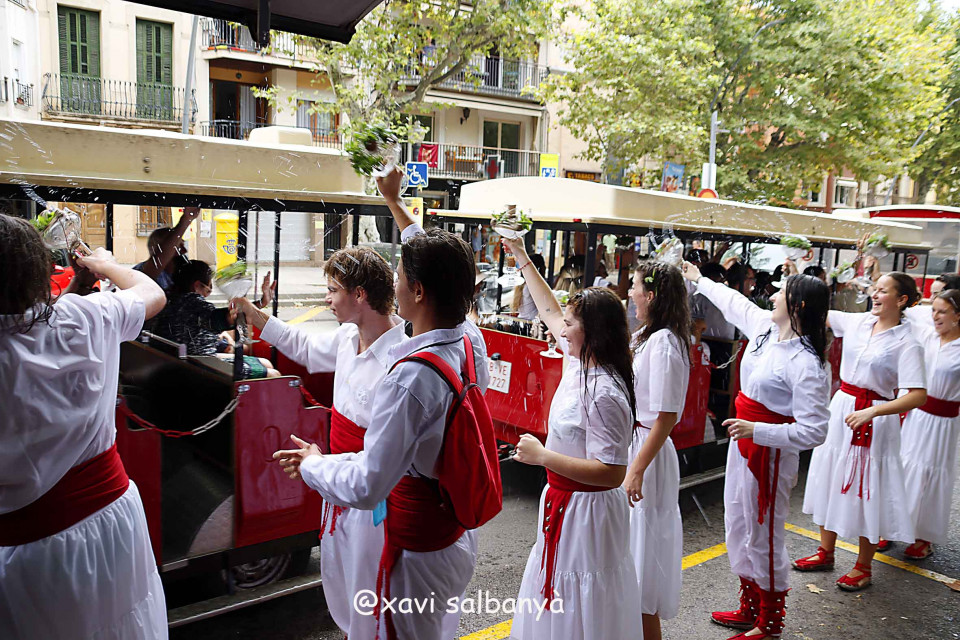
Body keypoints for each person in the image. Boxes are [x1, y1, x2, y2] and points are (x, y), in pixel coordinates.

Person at [271, 167, 490, 640]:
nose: (394, 284)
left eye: (401, 276)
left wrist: (313, 464)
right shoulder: (470, 342)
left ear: (419, 291)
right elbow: (437, 264)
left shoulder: (408, 378)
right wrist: (395, 202)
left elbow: (369, 483)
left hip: (415, 555)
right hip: (451, 537)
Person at [0, 213, 168, 639]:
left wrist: (81, 280)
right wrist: (106, 265)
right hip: (109, 526)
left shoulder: (77, 313)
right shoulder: (84, 316)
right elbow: (151, 293)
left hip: (22, 556)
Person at [233, 246, 405, 639]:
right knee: (342, 580)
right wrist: (254, 314)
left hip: (373, 498)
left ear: (359, 294)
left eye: (332, 290)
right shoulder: (347, 336)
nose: (327, 299)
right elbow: (304, 347)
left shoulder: (401, 361)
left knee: (372, 591)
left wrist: (317, 463)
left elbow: (385, 458)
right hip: (337, 483)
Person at [682, 259, 831, 640]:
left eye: (782, 293)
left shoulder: (809, 363)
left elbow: (815, 431)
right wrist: (699, 279)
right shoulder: (765, 326)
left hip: (771, 453)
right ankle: (749, 605)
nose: (773, 295)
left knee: (764, 534)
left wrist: (759, 431)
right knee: (737, 521)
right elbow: (733, 302)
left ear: (798, 306)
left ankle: (770, 621)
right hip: (744, 440)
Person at [502, 236, 642, 640]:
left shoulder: (605, 390)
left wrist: (543, 456)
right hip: (565, 505)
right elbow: (548, 308)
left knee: (583, 601)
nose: (560, 329)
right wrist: (521, 255)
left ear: (592, 331)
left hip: (588, 515)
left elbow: (612, 473)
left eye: (569, 323)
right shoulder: (579, 364)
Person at [797, 273, 927, 590]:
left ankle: (863, 566)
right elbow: (818, 311)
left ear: (902, 300)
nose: (875, 295)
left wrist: (873, 411)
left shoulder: (907, 342)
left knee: (870, 488)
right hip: (842, 407)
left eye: (883, 291)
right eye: (875, 289)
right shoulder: (857, 322)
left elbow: (917, 395)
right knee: (831, 475)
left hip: (876, 417)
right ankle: (825, 552)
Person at [623, 260, 691, 640]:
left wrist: (637, 468)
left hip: (649, 451)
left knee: (643, 561)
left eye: (634, 287)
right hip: (638, 445)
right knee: (630, 551)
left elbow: (666, 417)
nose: (630, 294)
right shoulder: (647, 335)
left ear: (650, 295)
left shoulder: (665, 342)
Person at [898, 289, 960, 559]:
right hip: (916, 415)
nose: (935, 316)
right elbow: (903, 309)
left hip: (943, 423)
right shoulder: (926, 334)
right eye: (933, 310)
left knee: (930, 475)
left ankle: (923, 535)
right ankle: (894, 525)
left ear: (958, 316)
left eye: (942, 311)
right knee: (903, 467)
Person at [152, 260, 279, 378]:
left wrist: (260, 303)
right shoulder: (195, 304)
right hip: (199, 367)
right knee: (273, 374)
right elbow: (226, 318)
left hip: (185, 361)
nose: (210, 289)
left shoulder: (169, 299)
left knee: (265, 363)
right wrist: (261, 303)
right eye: (209, 284)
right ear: (197, 285)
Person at [133, 207, 200, 292]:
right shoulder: (140, 274)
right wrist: (186, 219)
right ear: (159, 249)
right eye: (178, 247)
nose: (184, 251)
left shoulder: (180, 274)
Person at [512, 253, 547, 320]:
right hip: (531, 322)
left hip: (521, 319)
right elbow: (545, 308)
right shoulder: (534, 284)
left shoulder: (524, 283)